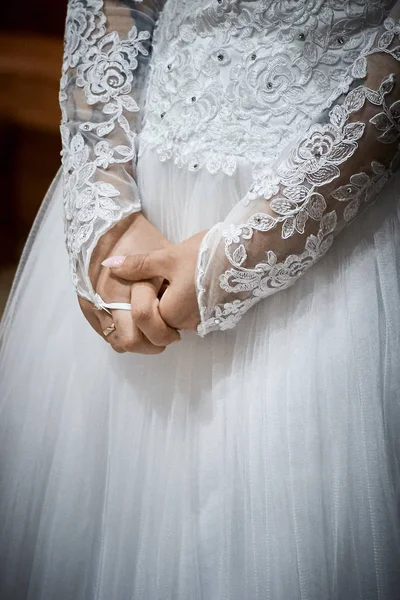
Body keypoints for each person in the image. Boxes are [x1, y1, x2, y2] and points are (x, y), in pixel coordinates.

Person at [1, 1, 400, 598]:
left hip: (322, 226)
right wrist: (102, 208)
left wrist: (239, 255)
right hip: (141, 188)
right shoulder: (115, 211)